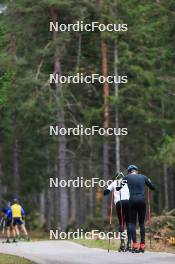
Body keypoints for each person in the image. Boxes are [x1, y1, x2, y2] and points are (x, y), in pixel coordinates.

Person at [116, 165, 155, 253]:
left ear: (129, 172)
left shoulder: (126, 177)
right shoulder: (143, 177)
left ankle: (135, 246)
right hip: (142, 201)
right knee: (141, 223)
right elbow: (152, 188)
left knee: (132, 223)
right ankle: (142, 246)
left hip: (132, 201)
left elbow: (118, 188)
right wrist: (149, 181)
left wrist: (119, 183)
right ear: (136, 171)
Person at [104, 177, 131, 251]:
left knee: (121, 223)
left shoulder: (114, 182)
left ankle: (122, 243)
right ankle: (129, 244)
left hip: (119, 203)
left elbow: (106, 192)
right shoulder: (127, 181)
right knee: (128, 223)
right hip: (128, 202)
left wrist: (107, 191)